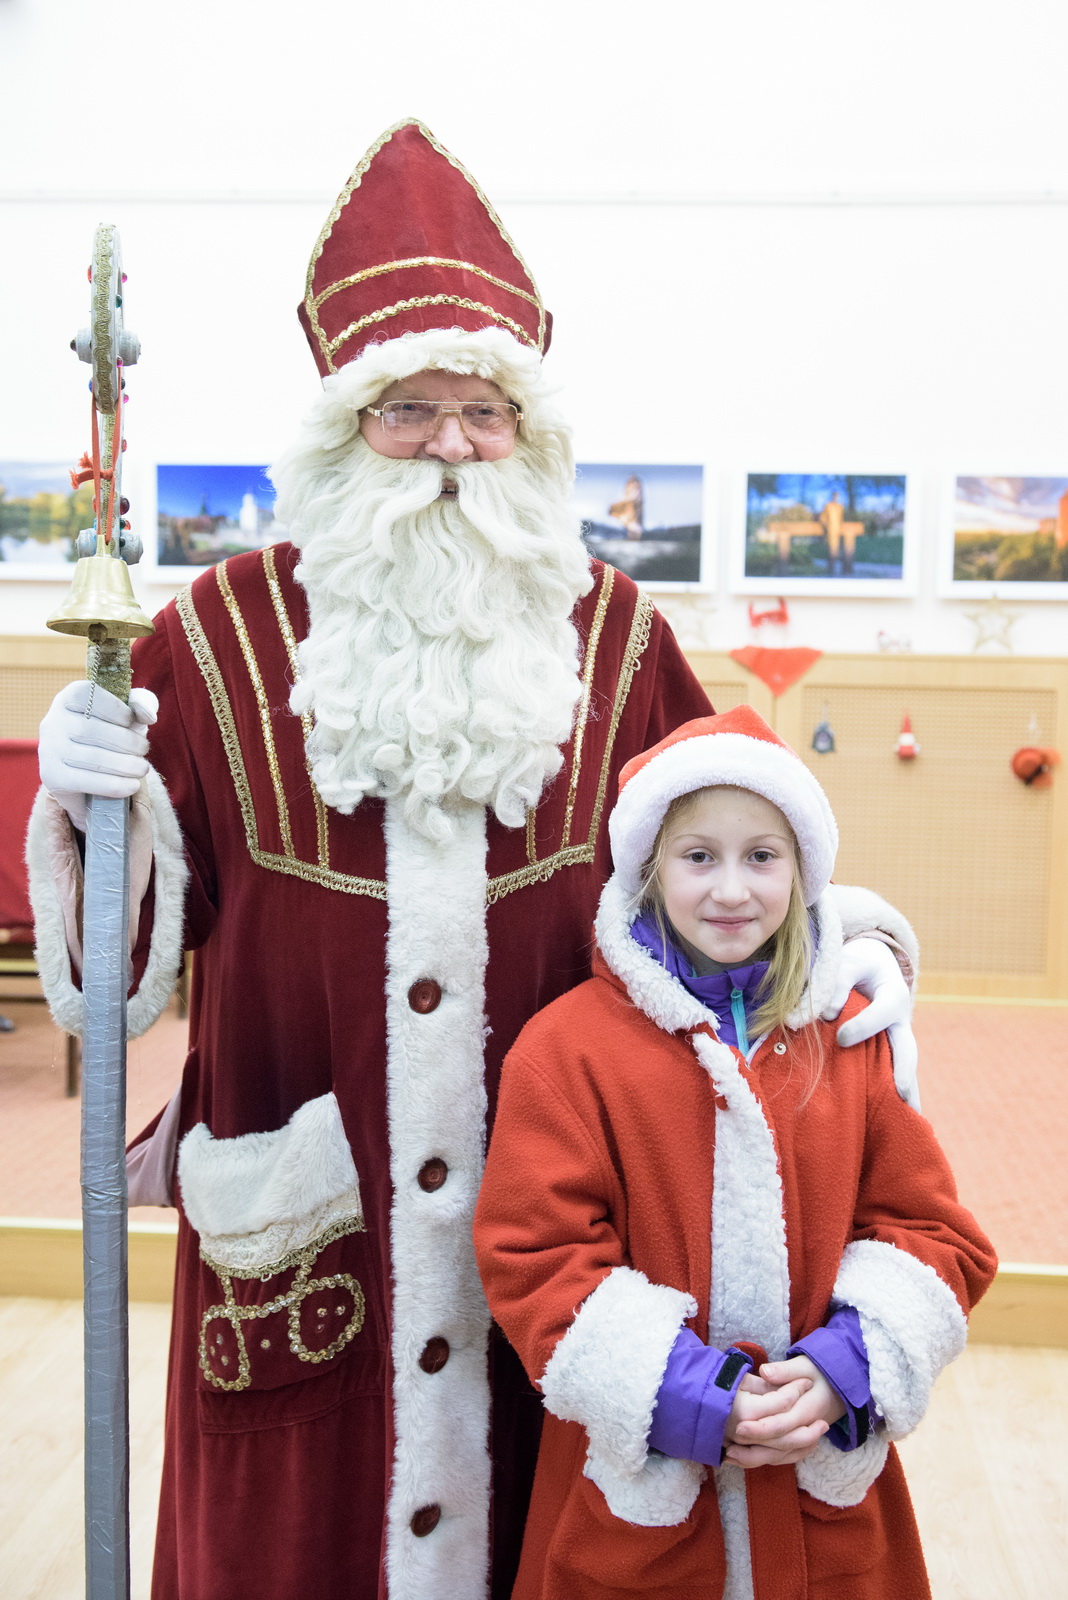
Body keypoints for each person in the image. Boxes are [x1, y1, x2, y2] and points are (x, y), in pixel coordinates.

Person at [31, 122, 921, 1600]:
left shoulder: (615, 637)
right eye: (408, 410)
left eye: (484, 412)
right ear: (344, 430)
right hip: (303, 1256)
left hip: (566, 1249)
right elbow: (109, 993)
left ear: (530, 434)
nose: (450, 445)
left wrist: (848, 951)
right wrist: (84, 811)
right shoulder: (213, 639)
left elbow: (734, 862)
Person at [473, 705, 997, 1600]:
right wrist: (686, 1394)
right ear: (649, 870)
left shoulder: (848, 1036)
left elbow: (936, 1236)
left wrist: (845, 1371)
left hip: (824, 1496)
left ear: (803, 871)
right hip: (640, 1515)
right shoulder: (566, 1051)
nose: (730, 890)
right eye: (698, 856)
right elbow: (534, 1255)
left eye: (762, 856)